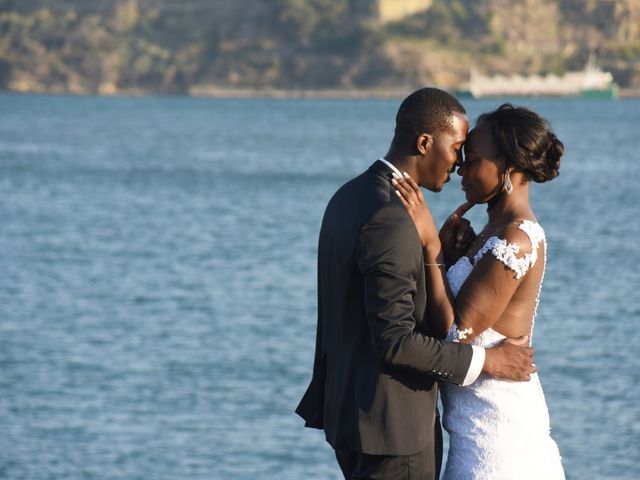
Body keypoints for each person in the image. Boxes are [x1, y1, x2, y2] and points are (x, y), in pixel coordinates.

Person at [295, 88, 536, 480]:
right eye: (456, 147)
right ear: (424, 142)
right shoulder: (392, 218)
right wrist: (487, 360)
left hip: (352, 419)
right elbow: (395, 340)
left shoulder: (349, 196)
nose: (459, 162)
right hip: (393, 433)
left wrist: (435, 253)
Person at [394, 103, 565, 479]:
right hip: (472, 427)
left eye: (473, 159)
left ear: (509, 168)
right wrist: (451, 255)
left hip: (499, 433)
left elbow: (456, 336)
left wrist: (431, 248)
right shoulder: (489, 232)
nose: (461, 169)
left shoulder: (516, 239)